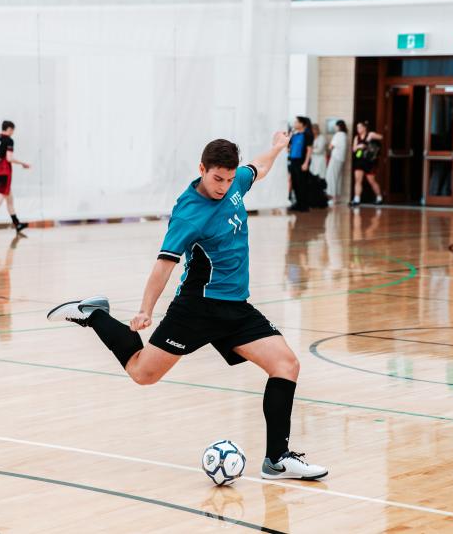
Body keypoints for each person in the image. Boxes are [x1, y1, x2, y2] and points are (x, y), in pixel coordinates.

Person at [47, 132, 328, 481]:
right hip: (197, 309)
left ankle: (277, 460)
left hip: (236, 308)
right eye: (217, 178)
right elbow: (163, 264)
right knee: (142, 373)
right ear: (202, 169)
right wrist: (145, 309)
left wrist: (277, 147)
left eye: (228, 178)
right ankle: (94, 315)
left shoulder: (237, 181)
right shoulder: (189, 213)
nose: (223, 186)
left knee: (286, 364)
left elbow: (260, 167)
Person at [351, 121, 383, 206]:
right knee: (358, 180)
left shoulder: (370, 134)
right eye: (357, 127)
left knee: (371, 181)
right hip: (359, 160)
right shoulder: (356, 137)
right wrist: (359, 146)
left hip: (369, 161)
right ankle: (357, 199)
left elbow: (381, 137)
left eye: (360, 127)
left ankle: (379, 197)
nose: (358, 129)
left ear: (364, 128)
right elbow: (353, 149)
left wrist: (370, 138)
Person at [287, 116, 313, 212]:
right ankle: (298, 203)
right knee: (295, 183)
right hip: (293, 161)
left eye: (296, 122)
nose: (295, 123)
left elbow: (309, 150)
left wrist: (306, 163)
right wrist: (289, 135)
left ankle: (304, 205)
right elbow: (288, 147)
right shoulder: (294, 134)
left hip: (301, 161)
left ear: (302, 124)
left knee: (302, 183)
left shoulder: (307, 134)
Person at [326, 120, 348, 204]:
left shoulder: (338, 134)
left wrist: (329, 147)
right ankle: (337, 197)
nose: (335, 128)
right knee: (338, 177)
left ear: (339, 126)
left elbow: (330, 146)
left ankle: (333, 197)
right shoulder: (345, 135)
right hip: (341, 159)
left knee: (332, 176)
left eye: (335, 126)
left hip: (335, 158)